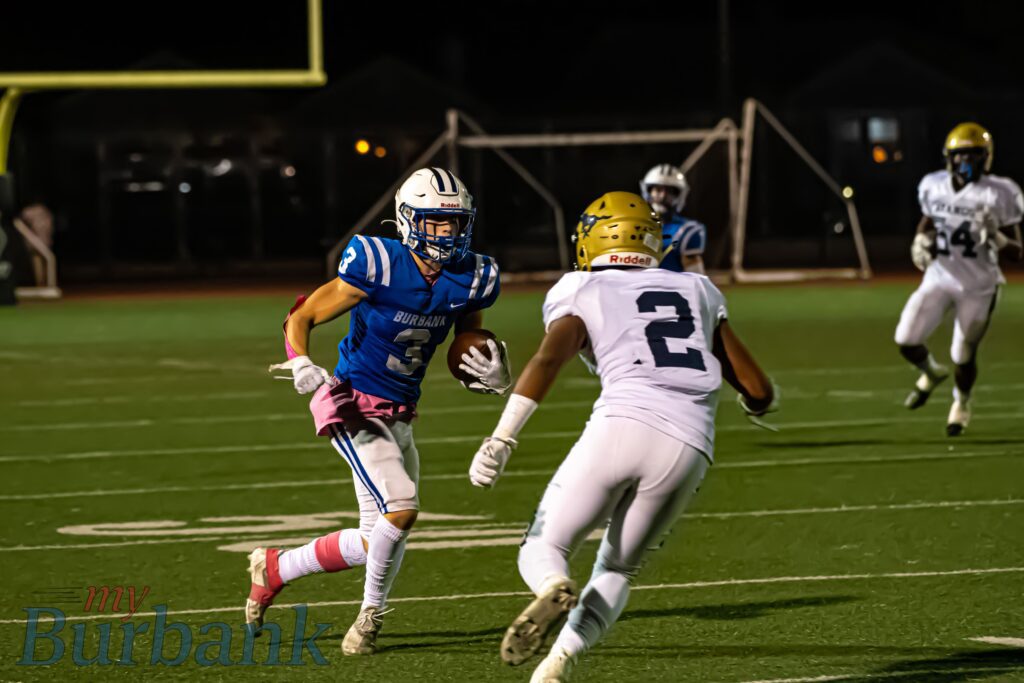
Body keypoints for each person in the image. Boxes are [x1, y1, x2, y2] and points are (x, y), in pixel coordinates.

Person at [467, 191, 776, 681]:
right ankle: (557, 663)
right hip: (690, 444)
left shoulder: (581, 286)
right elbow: (758, 390)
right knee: (617, 569)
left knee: (543, 547)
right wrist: (755, 406)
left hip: (622, 422)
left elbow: (548, 359)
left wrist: (502, 438)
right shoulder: (697, 287)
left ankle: (552, 586)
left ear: (592, 239)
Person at [245, 167, 511, 655]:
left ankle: (277, 567)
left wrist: (489, 374)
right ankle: (369, 619)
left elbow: (467, 342)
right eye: (435, 222)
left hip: (401, 410)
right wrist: (299, 360)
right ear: (409, 220)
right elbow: (303, 314)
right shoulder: (379, 263)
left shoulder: (472, 277)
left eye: (455, 223)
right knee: (402, 508)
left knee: (376, 538)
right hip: (352, 400)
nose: (447, 233)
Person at [895, 122, 1023, 435]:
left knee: (962, 354)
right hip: (939, 278)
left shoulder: (999, 192)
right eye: (960, 154)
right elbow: (928, 220)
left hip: (978, 286)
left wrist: (997, 237)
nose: (966, 160)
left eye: (974, 154)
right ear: (948, 157)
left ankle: (961, 403)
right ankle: (931, 372)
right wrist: (919, 239)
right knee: (906, 339)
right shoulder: (933, 185)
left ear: (986, 157)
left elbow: (1017, 253)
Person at [639, 163, 708, 274]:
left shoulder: (687, 230)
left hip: (669, 284)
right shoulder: (633, 224)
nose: (663, 196)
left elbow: (696, 276)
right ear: (648, 190)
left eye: (670, 191)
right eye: (658, 189)